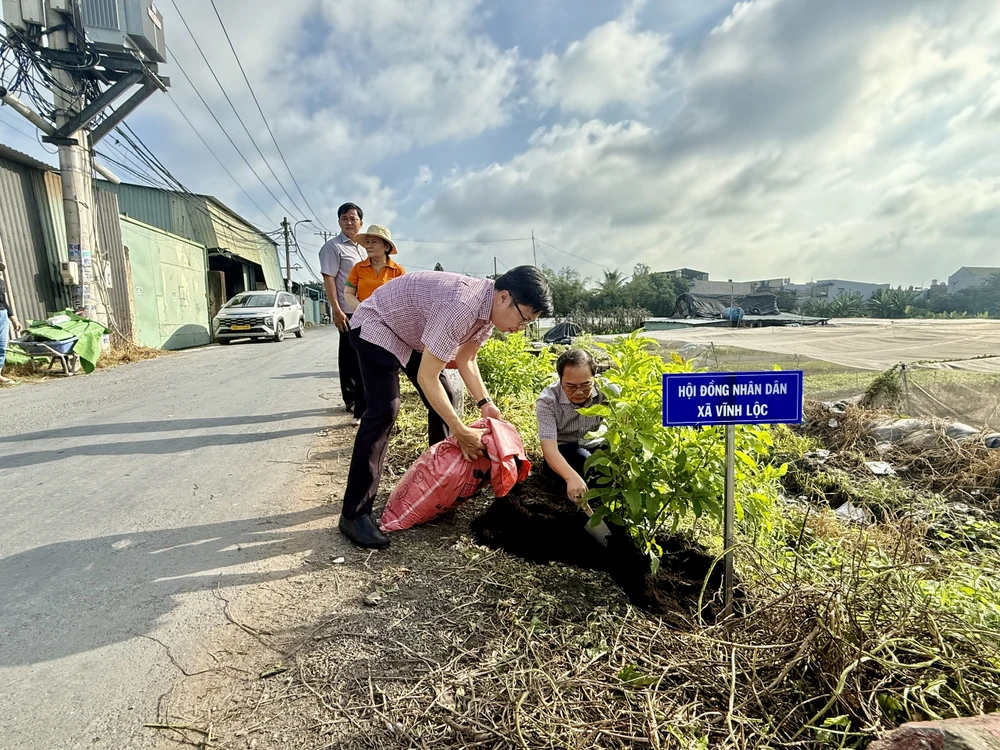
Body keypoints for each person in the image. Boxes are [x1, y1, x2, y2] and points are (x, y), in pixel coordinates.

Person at [339, 265, 553, 549]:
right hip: (377, 324)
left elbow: (467, 360)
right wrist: (460, 430)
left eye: (528, 324)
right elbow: (426, 377)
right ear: (504, 297)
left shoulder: (487, 312)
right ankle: (354, 513)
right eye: (523, 319)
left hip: (409, 333)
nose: (519, 329)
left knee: (447, 397)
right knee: (383, 411)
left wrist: (486, 403)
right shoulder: (462, 307)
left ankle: (438, 479)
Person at [344, 224, 406, 424]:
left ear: (386, 246)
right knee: (364, 368)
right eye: (367, 242)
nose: (369, 245)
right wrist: (362, 309)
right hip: (364, 323)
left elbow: (404, 297)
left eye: (374, 242)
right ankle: (361, 412)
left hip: (389, 325)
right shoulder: (358, 268)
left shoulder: (397, 271)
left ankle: (389, 410)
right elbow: (348, 294)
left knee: (388, 367)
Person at [536, 348, 614, 504]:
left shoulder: (608, 391)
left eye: (586, 385)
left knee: (607, 465)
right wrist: (571, 477)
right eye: (570, 386)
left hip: (595, 444)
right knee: (585, 461)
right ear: (560, 379)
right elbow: (549, 448)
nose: (579, 392)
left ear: (595, 377)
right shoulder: (548, 400)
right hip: (564, 451)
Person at [319, 203, 367, 415]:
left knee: (363, 354)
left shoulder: (365, 247)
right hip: (346, 310)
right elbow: (329, 279)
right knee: (348, 356)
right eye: (345, 218)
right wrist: (336, 310)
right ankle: (351, 399)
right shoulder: (333, 248)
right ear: (339, 221)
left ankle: (364, 397)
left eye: (353, 218)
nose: (349, 222)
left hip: (365, 310)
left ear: (361, 222)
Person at [0, 261, 23, 386]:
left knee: (1, 346)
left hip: (2, 315)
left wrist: (13, 318)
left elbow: (4, 301)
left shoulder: (0, 282)